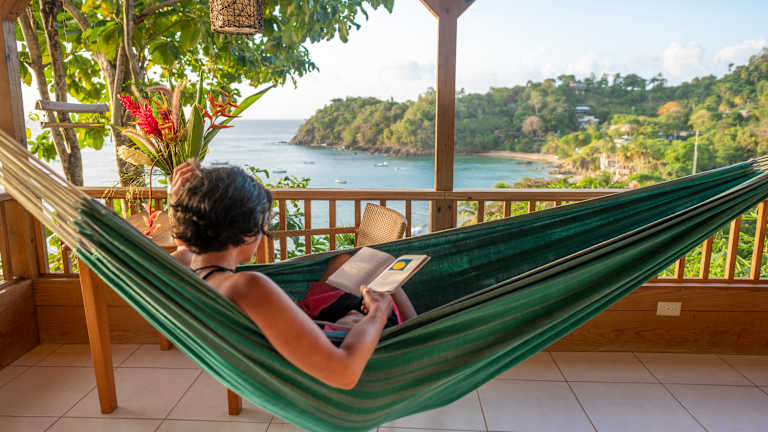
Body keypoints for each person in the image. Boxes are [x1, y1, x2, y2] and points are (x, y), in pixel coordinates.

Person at [168, 160, 412, 389]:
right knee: (393, 296)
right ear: (246, 231)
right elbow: (344, 373)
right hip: (344, 352)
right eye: (262, 225)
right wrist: (378, 313)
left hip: (312, 340)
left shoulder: (185, 271)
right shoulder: (247, 286)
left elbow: (183, 249)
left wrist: (178, 202)